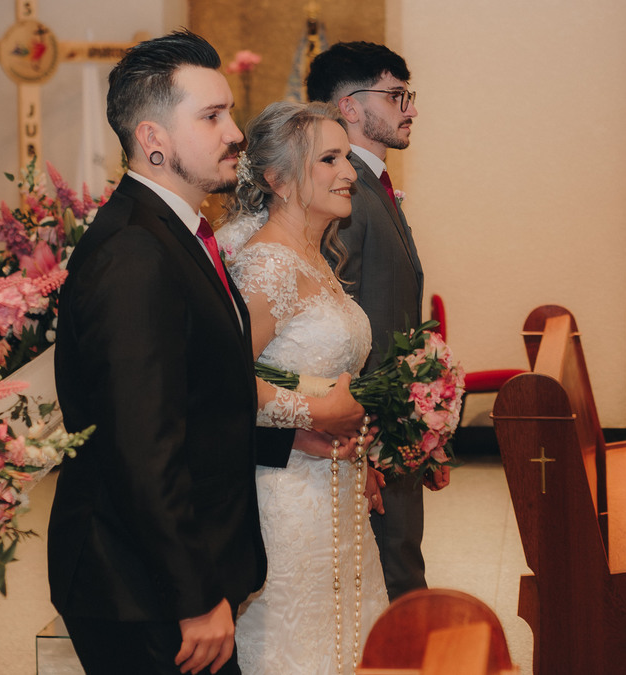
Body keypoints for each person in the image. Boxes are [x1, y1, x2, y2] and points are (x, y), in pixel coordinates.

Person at [48, 31, 362, 675]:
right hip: (139, 587)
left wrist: (286, 440)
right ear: (153, 139)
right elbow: (140, 445)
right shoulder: (136, 251)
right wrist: (191, 597)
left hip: (162, 573)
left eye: (230, 114)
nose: (236, 133)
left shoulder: (177, 233)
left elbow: (196, 398)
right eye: (212, 117)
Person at [217, 101, 390, 674]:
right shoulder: (268, 266)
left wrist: (353, 444)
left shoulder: (314, 257)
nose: (349, 173)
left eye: (347, 158)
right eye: (329, 159)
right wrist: (316, 415)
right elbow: (222, 383)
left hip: (332, 482)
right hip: (285, 495)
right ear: (278, 179)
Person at [306, 41, 450, 602]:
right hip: (366, 429)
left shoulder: (374, 188)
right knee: (394, 576)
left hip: (391, 425)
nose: (410, 109)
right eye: (395, 96)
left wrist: (422, 424)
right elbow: (334, 326)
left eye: (407, 95)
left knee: (400, 565)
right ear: (349, 106)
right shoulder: (347, 197)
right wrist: (367, 440)